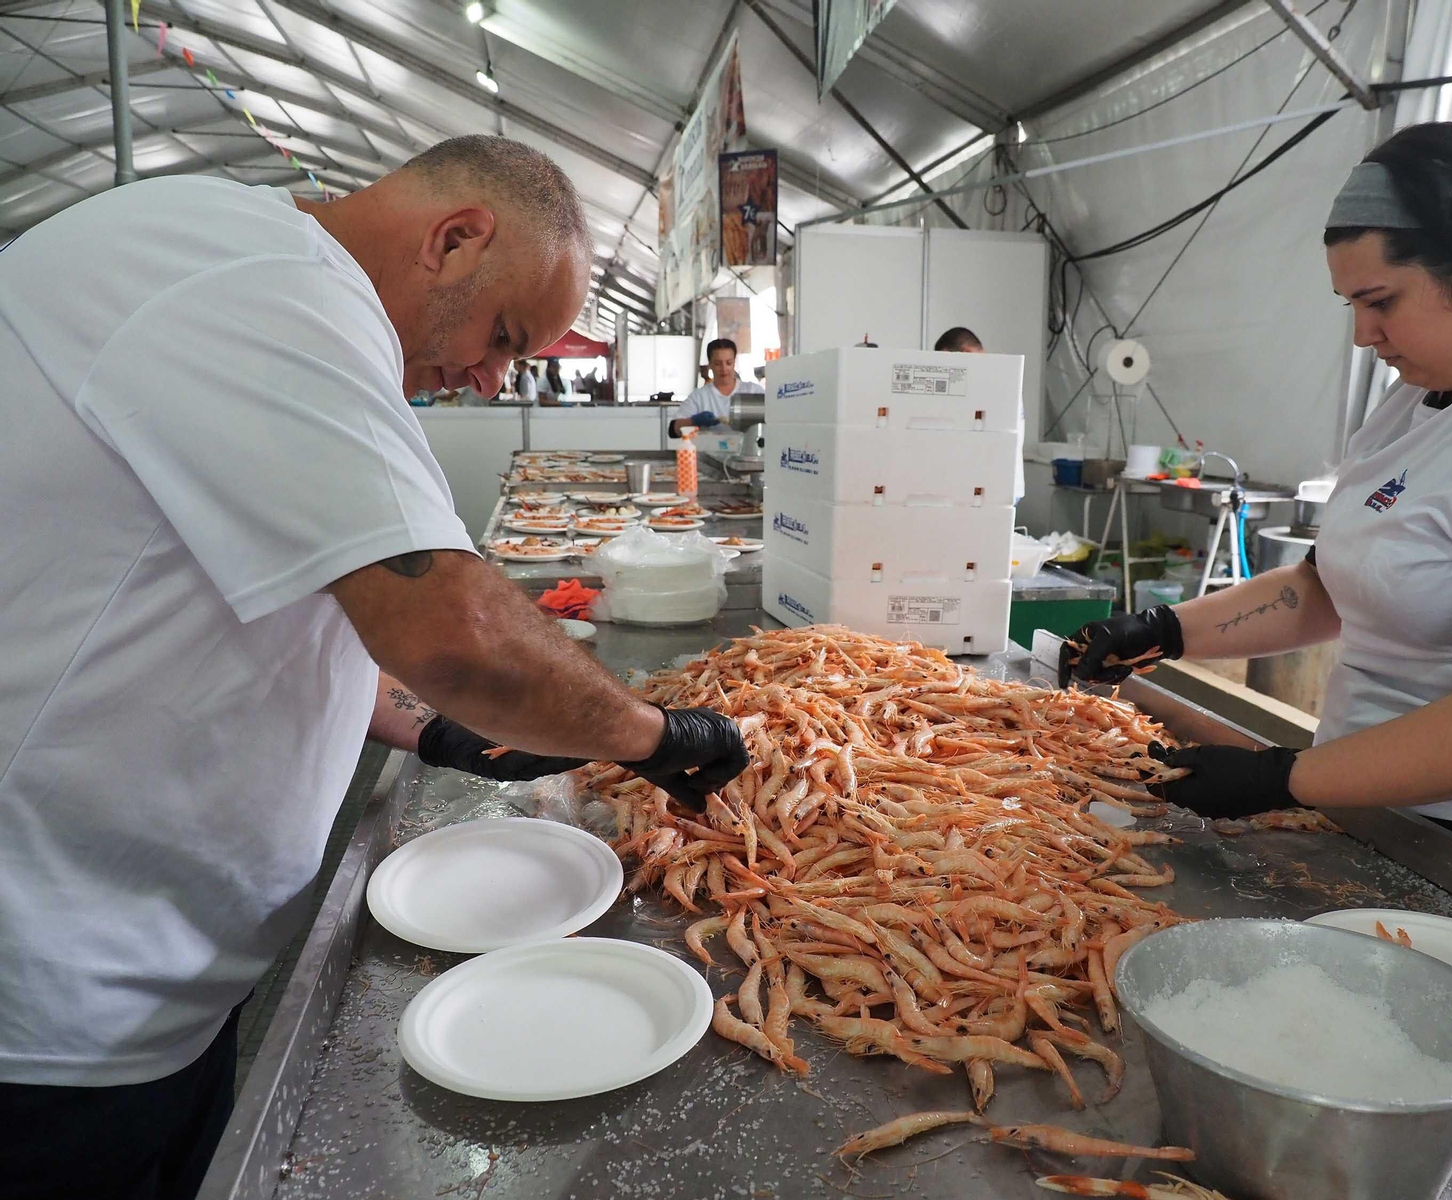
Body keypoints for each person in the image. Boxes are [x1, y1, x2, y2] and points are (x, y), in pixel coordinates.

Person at [0, 134, 747, 1200]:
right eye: (502, 336)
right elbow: (452, 629)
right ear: (453, 239)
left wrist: (423, 725)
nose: (492, 377)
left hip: (150, 974)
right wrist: (654, 739)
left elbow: (272, 607)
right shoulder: (256, 284)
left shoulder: (267, 284)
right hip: (49, 998)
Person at [1064, 122, 1452, 902]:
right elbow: (1334, 583)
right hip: (1377, 806)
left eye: (1380, 301)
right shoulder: (1429, 380)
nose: (1362, 334)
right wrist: (1166, 631)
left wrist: (1286, 774)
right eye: (1351, 303)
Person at [933, 326, 1026, 505]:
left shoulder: (992, 375)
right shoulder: (1005, 372)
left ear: (966, 352)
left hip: (992, 485)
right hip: (1001, 483)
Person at [667, 337, 761, 439]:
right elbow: (673, 430)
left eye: (728, 363)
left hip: (747, 452)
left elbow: (773, 419)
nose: (724, 369)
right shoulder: (700, 396)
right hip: (708, 453)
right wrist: (694, 421)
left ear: (734, 362)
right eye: (717, 364)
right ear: (710, 364)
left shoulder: (752, 391)